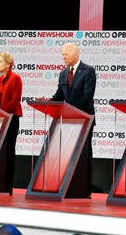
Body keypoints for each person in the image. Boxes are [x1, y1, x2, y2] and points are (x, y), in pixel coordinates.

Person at [49, 42, 96, 197]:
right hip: (67, 122)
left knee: (84, 155)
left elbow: (87, 96)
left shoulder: (88, 71)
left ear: (76, 54)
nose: (64, 57)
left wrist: (72, 111)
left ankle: (84, 190)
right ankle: (67, 186)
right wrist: (48, 103)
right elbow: (59, 95)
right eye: (62, 55)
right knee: (68, 154)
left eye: (66, 54)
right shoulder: (63, 73)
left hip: (84, 120)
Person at [0, 52, 23, 195]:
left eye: (0, 61)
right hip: (0, 119)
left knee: (9, 151)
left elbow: (15, 100)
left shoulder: (15, 78)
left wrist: (4, 113)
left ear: (8, 64)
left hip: (11, 118)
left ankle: (8, 185)